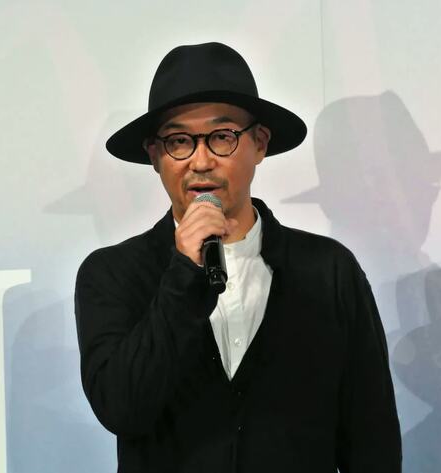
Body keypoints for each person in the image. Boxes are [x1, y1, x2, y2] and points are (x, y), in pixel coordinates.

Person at [75, 42, 401, 473]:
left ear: (259, 144)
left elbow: (372, 439)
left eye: (222, 137)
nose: (200, 161)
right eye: (178, 141)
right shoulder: (112, 274)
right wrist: (184, 274)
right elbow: (122, 408)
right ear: (155, 156)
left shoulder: (328, 271)